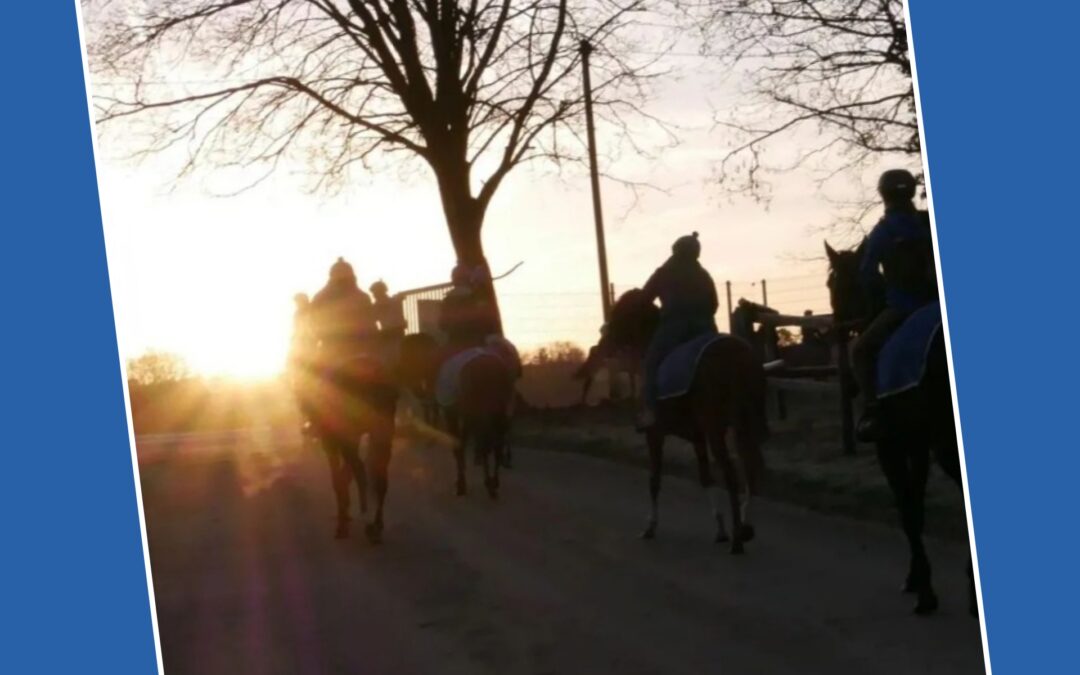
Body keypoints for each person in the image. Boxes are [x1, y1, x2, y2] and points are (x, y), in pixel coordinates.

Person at [851, 169, 937, 441]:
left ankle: (873, 411)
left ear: (883, 195)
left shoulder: (883, 231)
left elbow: (867, 274)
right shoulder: (927, 222)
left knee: (862, 351)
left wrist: (881, 296)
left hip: (903, 307)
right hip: (938, 304)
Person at [638, 232, 719, 429]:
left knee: (650, 364)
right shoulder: (703, 274)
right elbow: (714, 304)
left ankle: (651, 413)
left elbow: (643, 300)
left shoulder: (664, 272)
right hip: (706, 328)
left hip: (674, 328)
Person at [288, 293, 316, 434]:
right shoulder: (298, 314)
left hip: (315, 352)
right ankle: (310, 419)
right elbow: (296, 333)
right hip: (304, 352)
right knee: (301, 389)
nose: (298, 304)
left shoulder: (313, 311)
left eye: (299, 301)